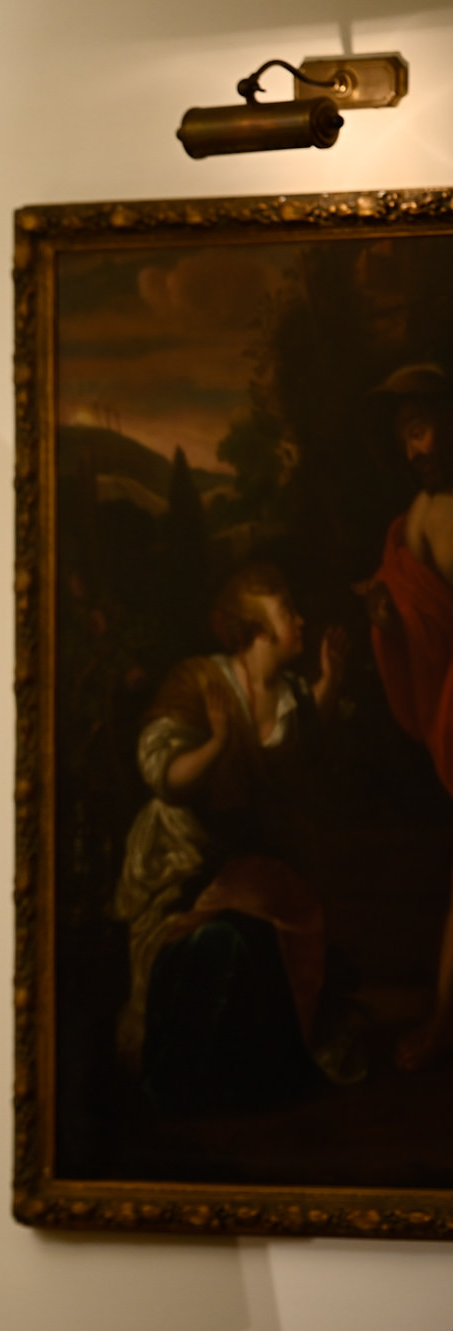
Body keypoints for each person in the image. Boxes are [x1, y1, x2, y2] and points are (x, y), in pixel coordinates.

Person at [110, 564, 355, 1113]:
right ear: (257, 630)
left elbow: (300, 745)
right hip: (179, 865)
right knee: (221, 947)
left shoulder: (289, 693)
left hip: (238, 862)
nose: (300, 620)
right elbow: (165, 778)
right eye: (287, 611)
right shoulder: (199, 681)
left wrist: (331, 682)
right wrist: (217, 743)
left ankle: (252, 1081)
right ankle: (188, 1081)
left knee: (285, 934)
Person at [365, 363, 453, 1068]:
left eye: (420, 430)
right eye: (405, 437)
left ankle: (445, 1025)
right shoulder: (430, 512)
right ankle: (446, 1024)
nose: (413, 450)